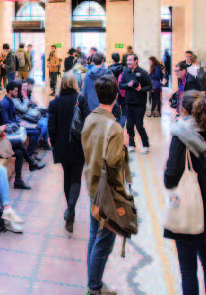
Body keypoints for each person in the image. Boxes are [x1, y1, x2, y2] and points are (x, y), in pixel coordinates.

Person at [163, 91, 206, 295]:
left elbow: (170, 179)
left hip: (189, 211)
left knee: (188, 269)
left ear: (183, 110)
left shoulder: (181, 137)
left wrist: (167, 169)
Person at [82, 75, 130, 295]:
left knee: (95, 235)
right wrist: (124, 145)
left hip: (92, 184)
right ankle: (94, 287)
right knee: (103, 242)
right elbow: (113, 162)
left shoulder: (90, 118)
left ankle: (93, 282)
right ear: (116, 95)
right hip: (108, 192)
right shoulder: (114, 128)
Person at [48, 72, 91, 233]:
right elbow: (88, 121)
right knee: (76, 178)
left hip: (62, 146)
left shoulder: (54, 103)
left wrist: (54, 145)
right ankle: (71, 209)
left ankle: (69, 212)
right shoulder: (81, 100)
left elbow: (51, 128)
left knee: (67, 175)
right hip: (78, 145)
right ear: (75, 83)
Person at [0, 98, 45, 190]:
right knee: (18, 142)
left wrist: (1, 129)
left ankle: (18, 181)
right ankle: (31, 162)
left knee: (19, 153)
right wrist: (1, 129)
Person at [119, 54, 152, 153]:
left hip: (140, 103)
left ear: (136, 61)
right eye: (127, 60)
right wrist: (127, 84)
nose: (128, 62)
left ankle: (145, 144)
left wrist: (141, 89)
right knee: (129, 125)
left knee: (139, 124)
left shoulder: (143, 73)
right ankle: (131, 144)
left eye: (130, 60)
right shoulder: (125, 72)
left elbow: (150, 86)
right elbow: (121, 85)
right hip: (129, 102)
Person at [1, 82, 41, 156]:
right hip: (11, 128)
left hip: (16, 124)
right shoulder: (5, 102)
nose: (17, 93)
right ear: (10, 91)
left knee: (38, 129)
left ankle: (30, 152)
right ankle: (29, 154)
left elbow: (13, 117)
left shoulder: (10, 100)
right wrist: (18, 124)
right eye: (16, 91)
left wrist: (19, 122)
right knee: (36, 132)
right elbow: (5, 121)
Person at [13, 81, 51, 150]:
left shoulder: (26, 94)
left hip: (28, 115)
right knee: (43, 124)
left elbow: (30, 105)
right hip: (24, 118)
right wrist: (26, 99)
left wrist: (33, 105)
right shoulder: (17, 98)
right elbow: (23, 110)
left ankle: (44, 142)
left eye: (25, 87)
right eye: (23, 87)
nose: (24, 88)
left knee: (46, 119)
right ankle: (35, 144)